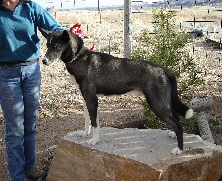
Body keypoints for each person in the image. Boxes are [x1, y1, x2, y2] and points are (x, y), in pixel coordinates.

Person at [0, 0, 65, 180]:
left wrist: (72, 36)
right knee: (14, 129)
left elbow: (55, 29)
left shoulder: (30, 7)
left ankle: (30, 168)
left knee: (30, 124)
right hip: (6, 74)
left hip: (32, 71)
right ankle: (18, 176)